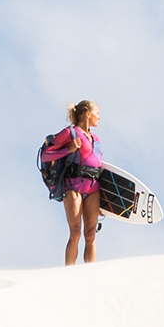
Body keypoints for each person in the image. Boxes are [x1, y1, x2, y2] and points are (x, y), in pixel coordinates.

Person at [45, 98, 103, 265]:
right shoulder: (70, 133)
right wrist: (67, 149)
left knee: (91, 234)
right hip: (73, 186)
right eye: (97, 113)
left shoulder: (97, 140)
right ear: (87, 114)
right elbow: (46, 154)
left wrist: (104, 203)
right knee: (76, 232)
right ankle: (69, 273)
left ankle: (90, 273)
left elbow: (101, 169)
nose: (99, 117)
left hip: (94, 187)